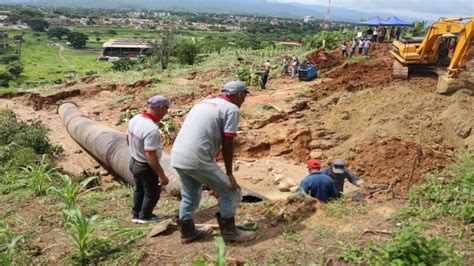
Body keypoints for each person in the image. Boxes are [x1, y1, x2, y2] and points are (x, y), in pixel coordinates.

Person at [171, 80, 256, 244]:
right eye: (244, 95)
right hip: (197, 159)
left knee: (190, 195)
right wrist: (229, 174)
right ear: (238, 94)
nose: (244, 99)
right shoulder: (231, 109)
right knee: (231, 193)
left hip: (178, 155)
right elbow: (228, 142)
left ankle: (187, 233)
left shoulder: (203, 103)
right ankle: (230, 233)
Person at [127, 95, 171, 224]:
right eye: (166, 108)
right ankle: (146, 216)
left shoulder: (135, 119)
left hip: (134, 161)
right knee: (152, 193)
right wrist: (162, 175)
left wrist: (135, 151)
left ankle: (136, 214)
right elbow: (151, 156)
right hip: (146, 166)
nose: (167, 112)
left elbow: (126, 138)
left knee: (139, 190)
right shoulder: (151, 129)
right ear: (160, 107)